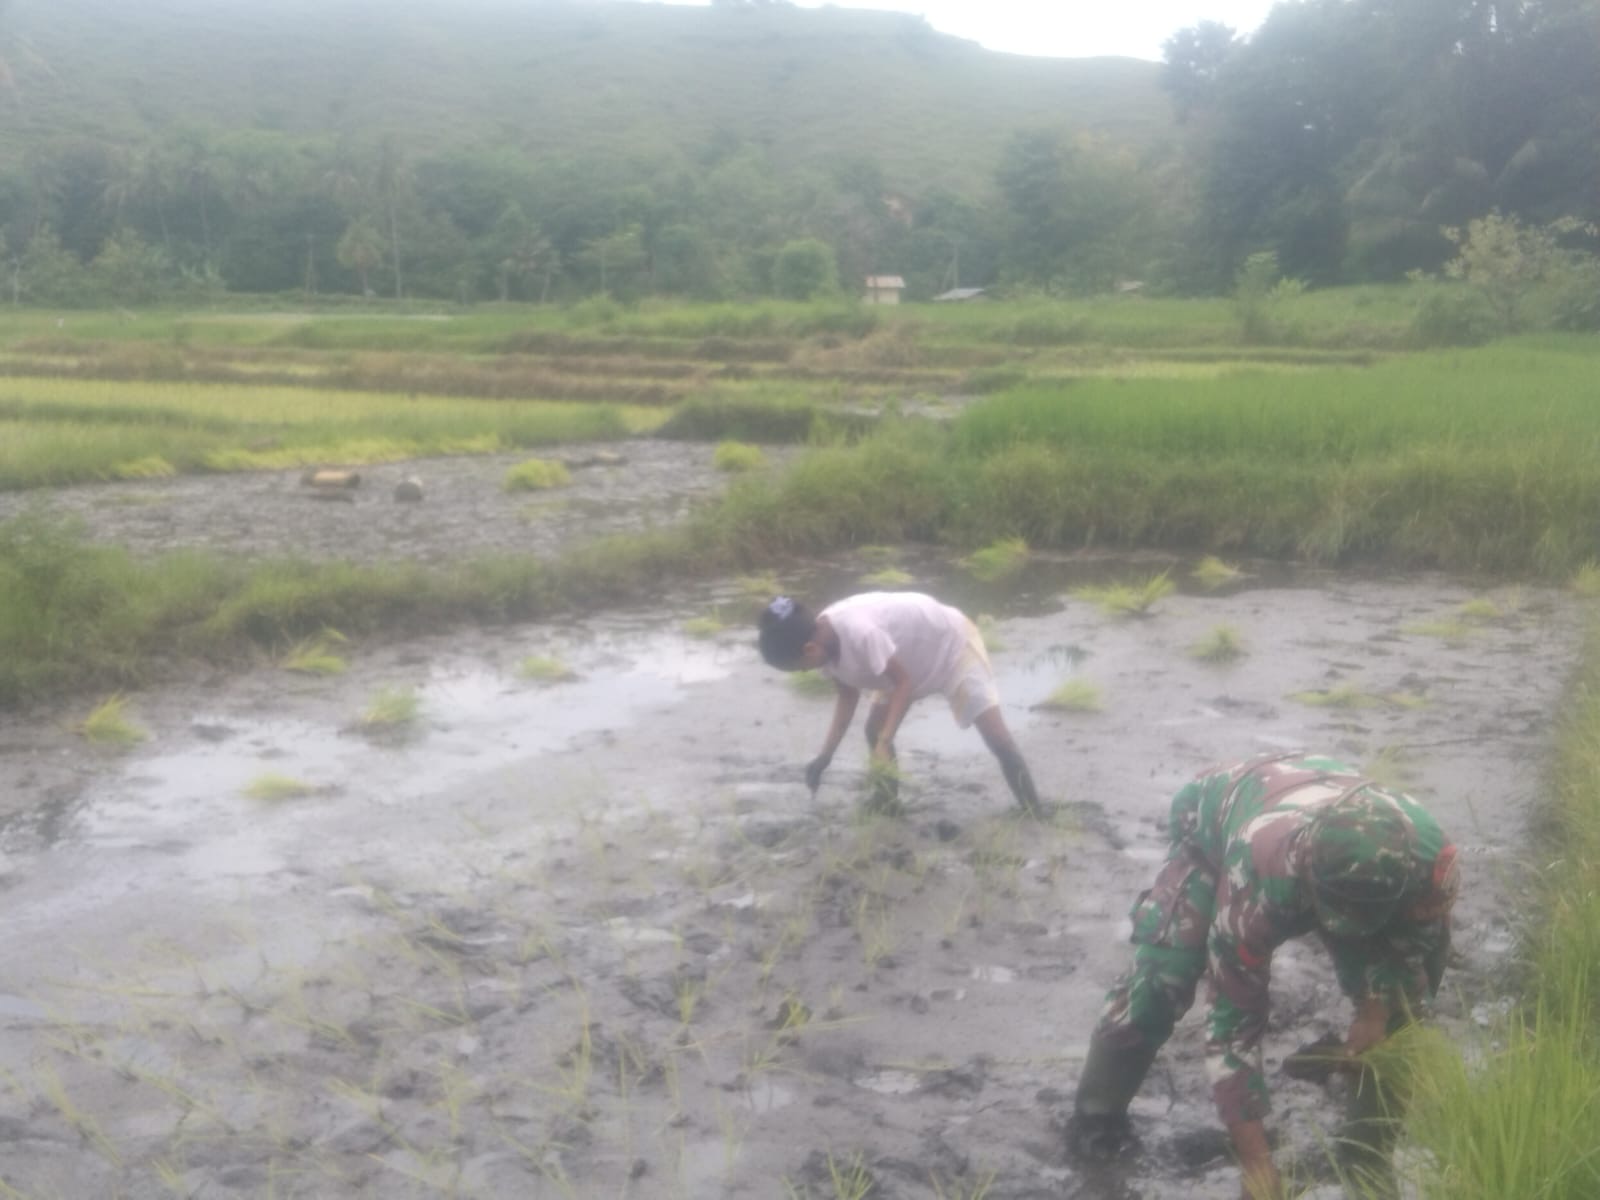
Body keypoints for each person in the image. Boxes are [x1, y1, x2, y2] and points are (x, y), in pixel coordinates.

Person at [1069, 750, 1460, 1200]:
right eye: (1337, 918)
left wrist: (1377, 1009)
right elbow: (1231, 1025)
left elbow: (1420, 940)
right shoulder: (1256, 877)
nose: (1340, 932)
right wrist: (1256, 1163)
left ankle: (1366, 1154)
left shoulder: (1429, 855)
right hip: (1218, 816)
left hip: (1329, 808)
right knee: (1162, 983)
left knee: (1404, 1012)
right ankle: (1096, 1120)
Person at [757, 592, 1041, 813]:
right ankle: (888, 804)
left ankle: (1033, 811)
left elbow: (903, 684)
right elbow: (848, 696)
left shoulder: (859, 631)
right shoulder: (823, 644)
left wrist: (885, 741)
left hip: (951, 645)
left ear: (809, 649)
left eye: (802, 668)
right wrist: (825, 757)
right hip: (902, 660)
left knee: (997, 737)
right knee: (873, 730)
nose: (808, 672)